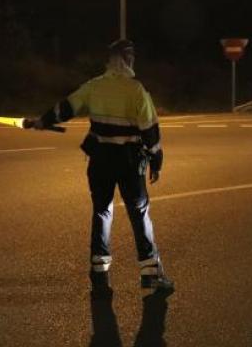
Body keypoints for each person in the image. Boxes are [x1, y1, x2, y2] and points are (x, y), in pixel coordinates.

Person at [27, 39, 173, 290]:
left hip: (100, 161)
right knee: (139, 213)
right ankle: (150, 273)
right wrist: (156, 160)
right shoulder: (136, 90)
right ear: (128, 60)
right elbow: (150, 131)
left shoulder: (94, 87)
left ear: (109, 61)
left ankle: (99, 274)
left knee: (102, 211)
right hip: (129, 163)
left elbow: (66, 107)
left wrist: (43, 121)